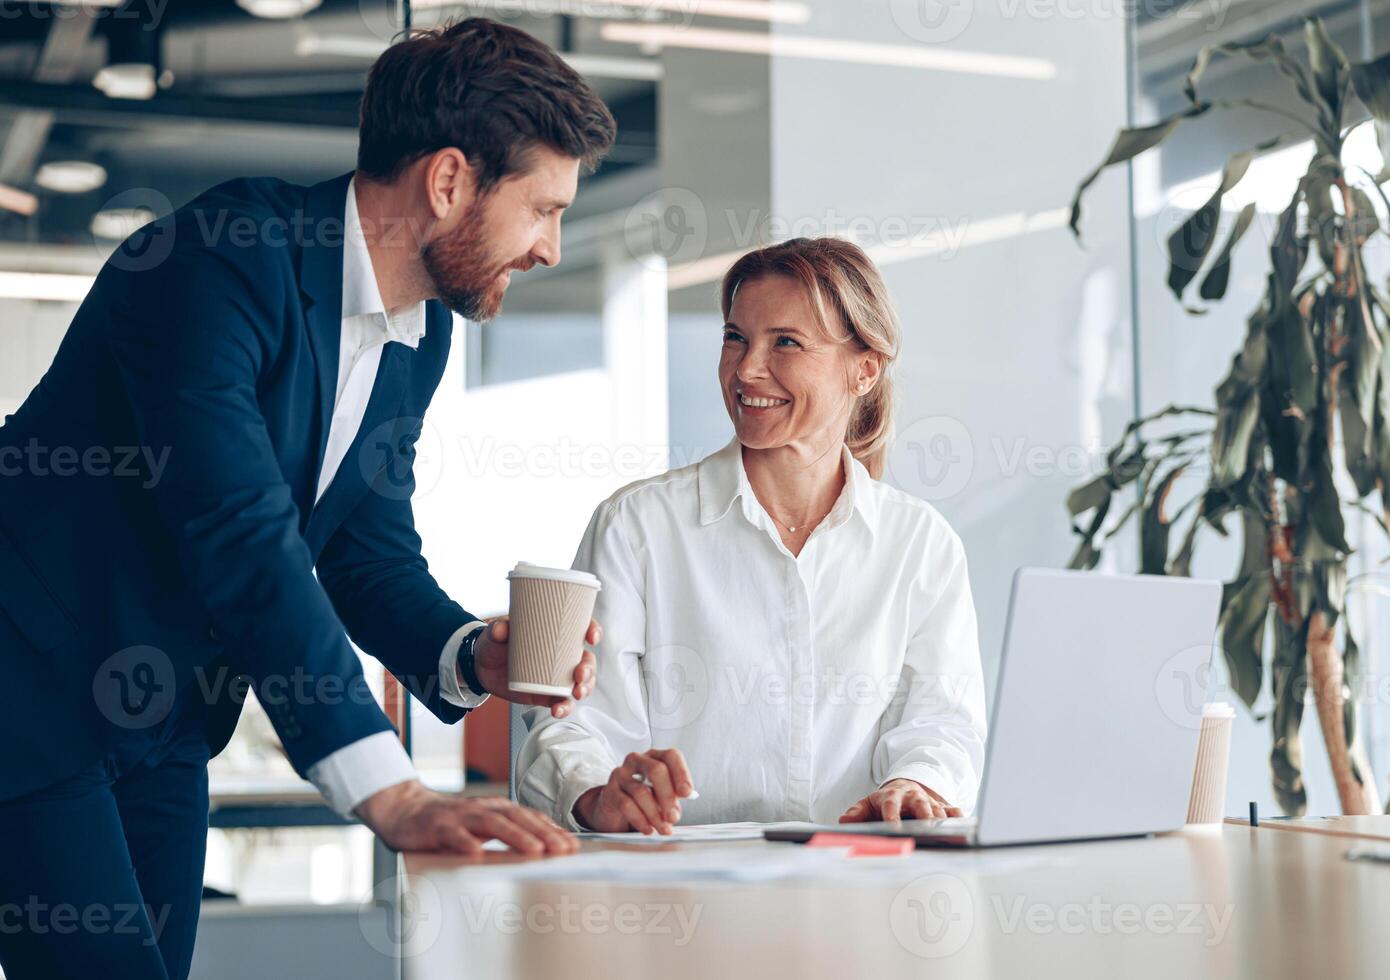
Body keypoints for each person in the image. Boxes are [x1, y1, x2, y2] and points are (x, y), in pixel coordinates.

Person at [0, 20, 614, 979]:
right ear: (450, 181)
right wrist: (392, 794)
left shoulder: (419, 331)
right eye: (542, 208)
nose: (548, 248)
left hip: (161, 721)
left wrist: (468, 654)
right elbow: (239, 532)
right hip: (30, 691)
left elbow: (365, 551)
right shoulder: (213, 263)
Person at [516, 237, 986, 834]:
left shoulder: (921, 544)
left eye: (785, 342)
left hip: (858, 888)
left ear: (863, 370)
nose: (746, 369)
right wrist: (597, 793)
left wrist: (915, 783)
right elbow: (572, 721)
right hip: (676, 895)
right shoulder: (638, 527)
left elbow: (943, 722)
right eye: (735, 338)